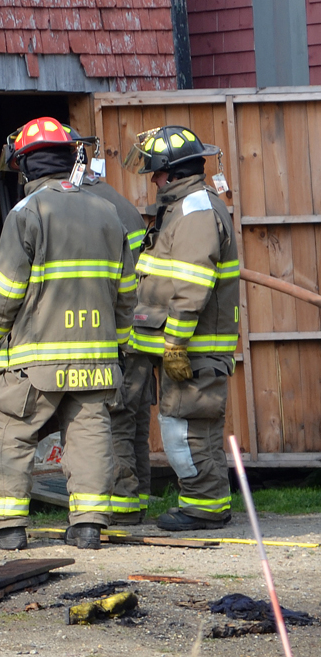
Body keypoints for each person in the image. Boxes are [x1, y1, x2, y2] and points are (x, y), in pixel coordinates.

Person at [0, 117, 137, 551]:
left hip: (37, 357)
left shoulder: (27, 213)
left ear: (25, 166)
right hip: (97, 358)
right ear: (69, 161)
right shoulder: (107, 212)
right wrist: (119, 345)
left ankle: (5, 526)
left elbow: (5, 290)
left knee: (9, 427)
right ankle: (87, 525)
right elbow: (125, 293)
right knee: (89, 435)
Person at [123, 125, 240, 531]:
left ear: (170, 172)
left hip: (192, 345)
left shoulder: (194, 211)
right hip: (184, 343)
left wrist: (174, 343)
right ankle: (205, 502)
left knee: (187, 428)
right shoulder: (183, 207)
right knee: (187, 425)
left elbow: (192, 285)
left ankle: (204, 507)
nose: (152, 180)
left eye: (155, 172)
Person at [61, 124, 155, 526]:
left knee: (114, 415)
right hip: (140, 324)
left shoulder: (82, 205)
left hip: (117, 327)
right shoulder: (116, 200)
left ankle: (121, 504)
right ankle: (136, 501)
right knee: (133, 419)